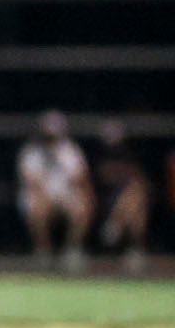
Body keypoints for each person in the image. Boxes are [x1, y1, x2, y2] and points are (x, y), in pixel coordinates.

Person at [17, 110, 94, 270]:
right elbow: (31, 182)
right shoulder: (32, 150)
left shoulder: (70, 149)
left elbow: (80, 177)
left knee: (84, 205)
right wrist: (49, 199)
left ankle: (72, 250)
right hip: (40, 196)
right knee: (38, 206)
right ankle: (44, 252)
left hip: (65, 196)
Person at [93, 119, 148, 271]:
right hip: (107, 198)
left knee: (136, 202)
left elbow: (140, 178)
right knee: (134, 201)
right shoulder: (99, 154)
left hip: (128, 200)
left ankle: (115, 223)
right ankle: (135, 248)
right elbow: (105, 176)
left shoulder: (128, 153)